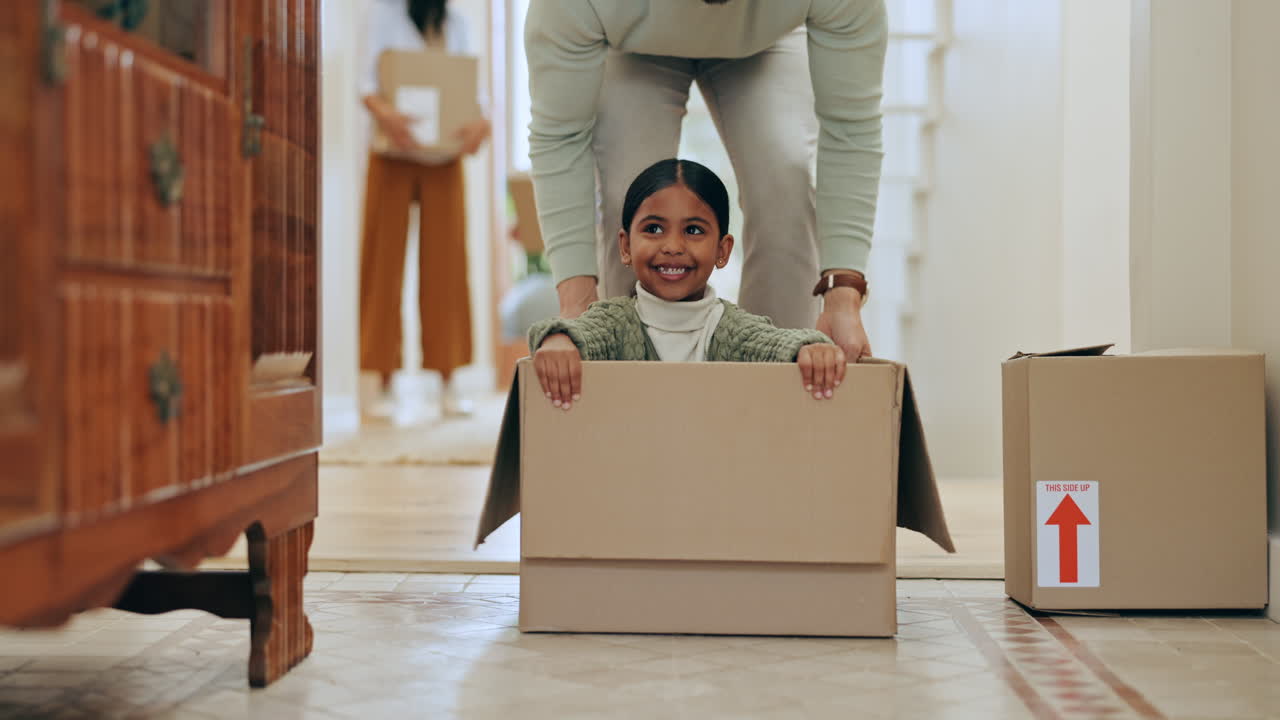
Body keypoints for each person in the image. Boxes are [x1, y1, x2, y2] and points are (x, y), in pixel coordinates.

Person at [524, 0, 886, 362]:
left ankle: (776, 388)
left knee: (784, 183)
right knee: (632, 202)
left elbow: (850, 128)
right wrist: (577, 304)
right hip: (629, 47)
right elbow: (560, 135)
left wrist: (843, 293)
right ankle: (632, 381)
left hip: (765, 44)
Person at [529, 159, 847, 410]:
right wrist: (558, 340)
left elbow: (772, 344)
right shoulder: (613, 322)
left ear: (722, 250)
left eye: (693, 231)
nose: (673, 246)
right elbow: (579, 333)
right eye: (654, 229)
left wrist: (811, 348)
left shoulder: (732, 328)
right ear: (625, 247)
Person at [358, 0, 490, 417]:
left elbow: (477, 95)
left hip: (443, 159)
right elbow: (365, 84)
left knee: (447, 265)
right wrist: (388, 116)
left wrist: (479, 124)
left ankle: (449, 378)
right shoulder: (382, 15)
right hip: (391, 154)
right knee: (383, 263)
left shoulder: (458, 25)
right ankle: (382, 380)